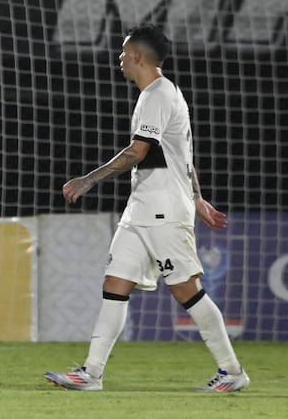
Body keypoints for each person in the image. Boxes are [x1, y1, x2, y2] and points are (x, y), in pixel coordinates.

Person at [44, 24, 249, 392]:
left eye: (124, 53)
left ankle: (232, 371)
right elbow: (182, 156)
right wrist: (198, 197)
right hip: (142, 209)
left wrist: (88, 180)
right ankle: (91, 373)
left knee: (188, 290)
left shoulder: (158, 95)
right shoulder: (158, 95)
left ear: (137, 56)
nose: (120, 59)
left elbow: (138, 152)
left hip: (163, 212)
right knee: (115, 284)